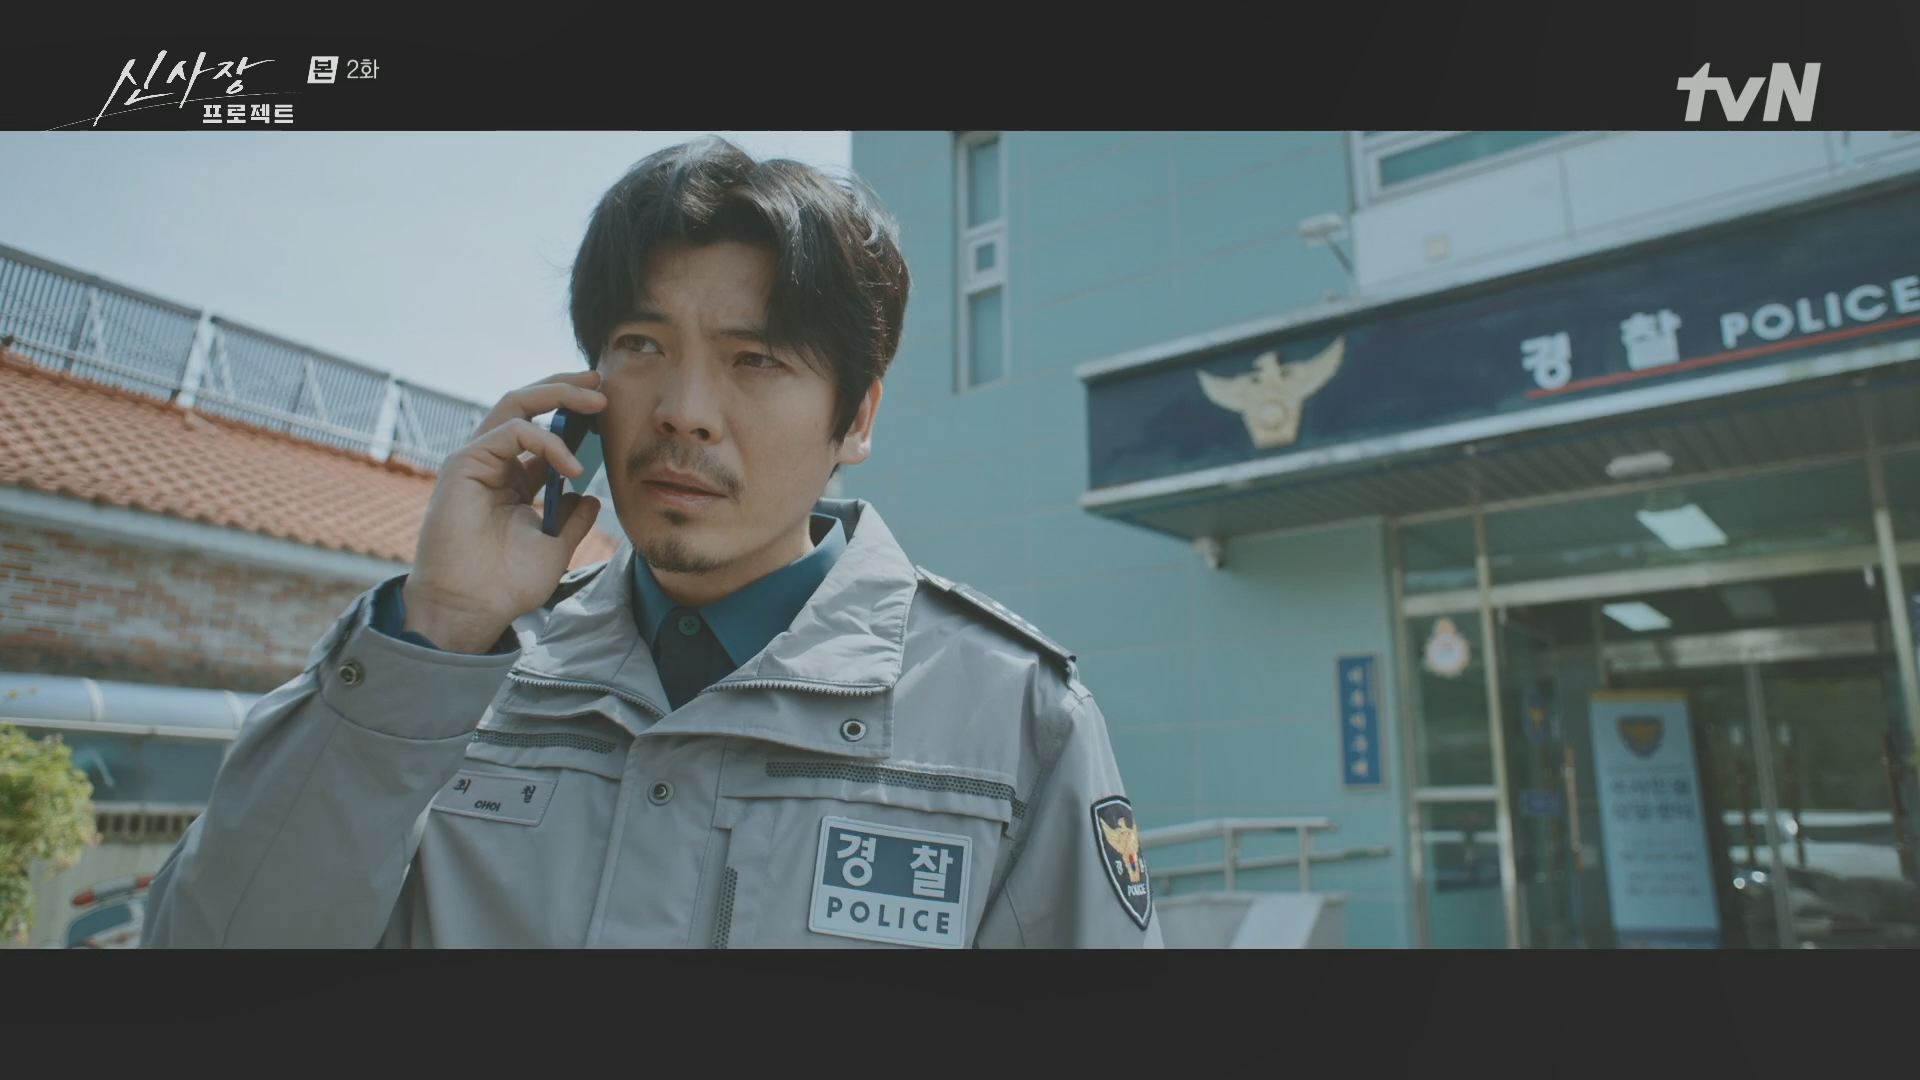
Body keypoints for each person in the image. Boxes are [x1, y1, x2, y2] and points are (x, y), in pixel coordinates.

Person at [141, 136, 1161, 949]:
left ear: (855, 419)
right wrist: (440, 629)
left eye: (756, 359)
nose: (684, 411)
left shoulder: (1016, 718)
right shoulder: (438, 676)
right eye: (641, 345)